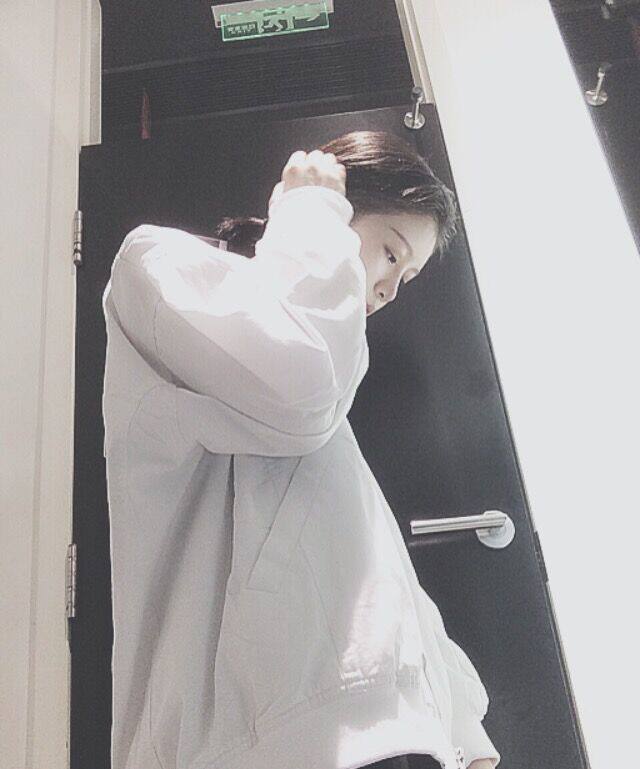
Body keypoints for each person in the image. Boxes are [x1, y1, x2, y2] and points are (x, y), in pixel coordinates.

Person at [101, 130, 501, 769]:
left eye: (408, 277)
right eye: (391, 254)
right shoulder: (161, 267)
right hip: (257, 739)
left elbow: (369, 555)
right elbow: (299, 393)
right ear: (340, 202)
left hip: (360, 726)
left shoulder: (331, 377)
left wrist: (461, 728)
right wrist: (312, 213)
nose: (390, 290)